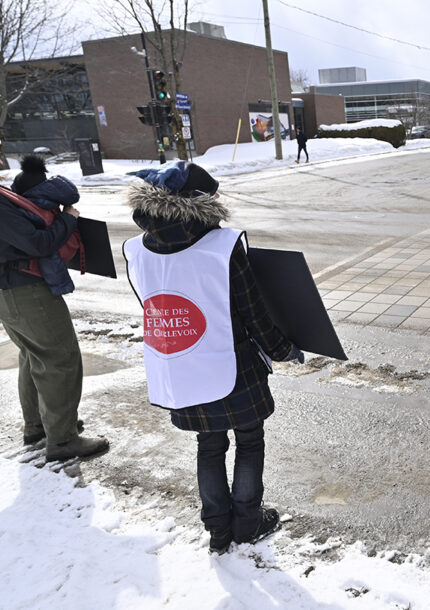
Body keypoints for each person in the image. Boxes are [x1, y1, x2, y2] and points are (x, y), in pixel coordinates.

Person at [123, 161, 303, 554]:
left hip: (181, 365)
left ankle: (218, 530)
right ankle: (248, 522)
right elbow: (253, 311)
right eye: (213, 192)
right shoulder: (222, 246)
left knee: (209, 444)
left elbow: (155, 307)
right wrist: (282, 349)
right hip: (231, 363)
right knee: (250, 441)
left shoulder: (135, 248)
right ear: (199, 200)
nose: (219, 197)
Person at [0, 118, 108, 460]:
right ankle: (63, 440)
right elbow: (36, 242)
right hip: (22, 287)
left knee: (34, 355)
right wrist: (68, 219)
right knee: (60, 358)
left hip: (5, 283)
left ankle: (40, 426)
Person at [10, 154, 80, 296]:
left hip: (33, 270)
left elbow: (45, 251)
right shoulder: (46, 203)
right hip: (43, 267)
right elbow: (46, 252)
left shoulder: (27, 207)